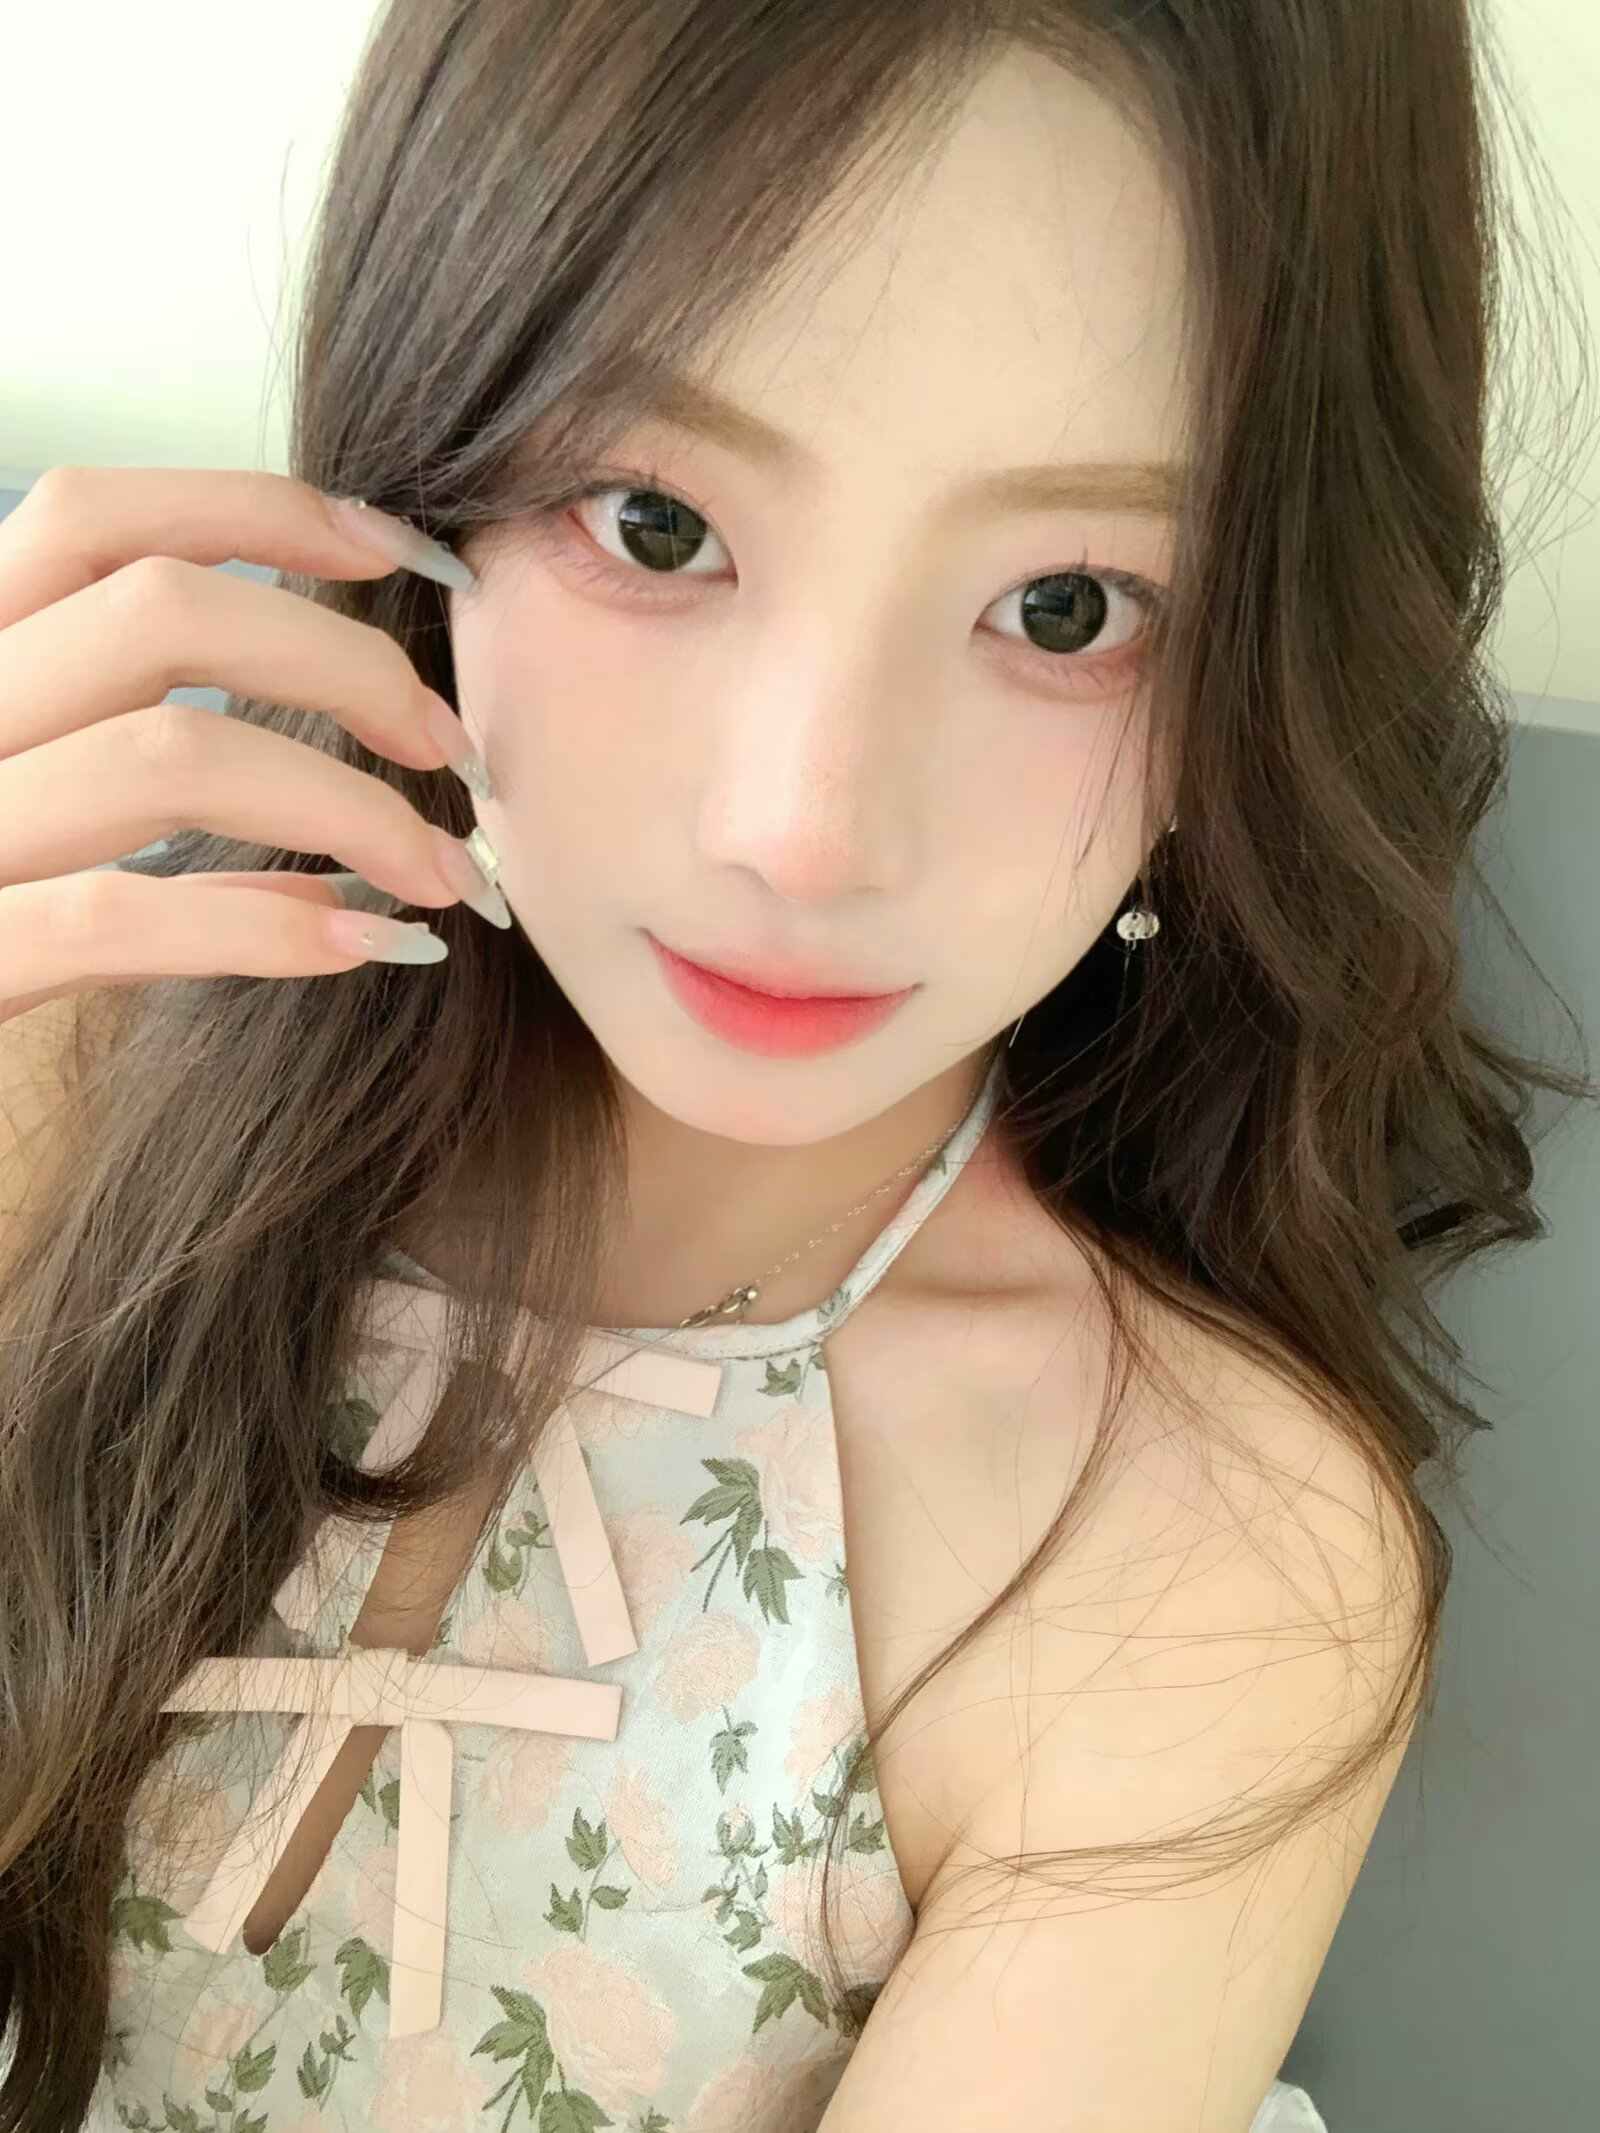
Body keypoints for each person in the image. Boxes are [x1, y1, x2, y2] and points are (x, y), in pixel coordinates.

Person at [0, 3, 1588, 2130]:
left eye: (1067, 606)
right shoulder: (66, 1084)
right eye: (656, 524)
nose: (805, 832)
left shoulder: (1168, 1553)